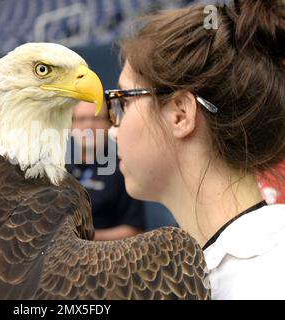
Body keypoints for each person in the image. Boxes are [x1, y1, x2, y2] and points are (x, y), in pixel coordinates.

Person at [107, 0, 285, 299]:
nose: (112, 131)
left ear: (180, 114)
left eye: (123, 103)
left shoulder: (266, 276)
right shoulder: (217, 268)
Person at [67, 101, 145, 240]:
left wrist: (84, 238)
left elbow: (135, 231)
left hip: (105, 256)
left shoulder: (123, 168)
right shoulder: (57, 167)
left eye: (96, 118)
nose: (88, 125)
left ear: (109, 123)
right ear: (71, 125)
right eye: (81, 119)